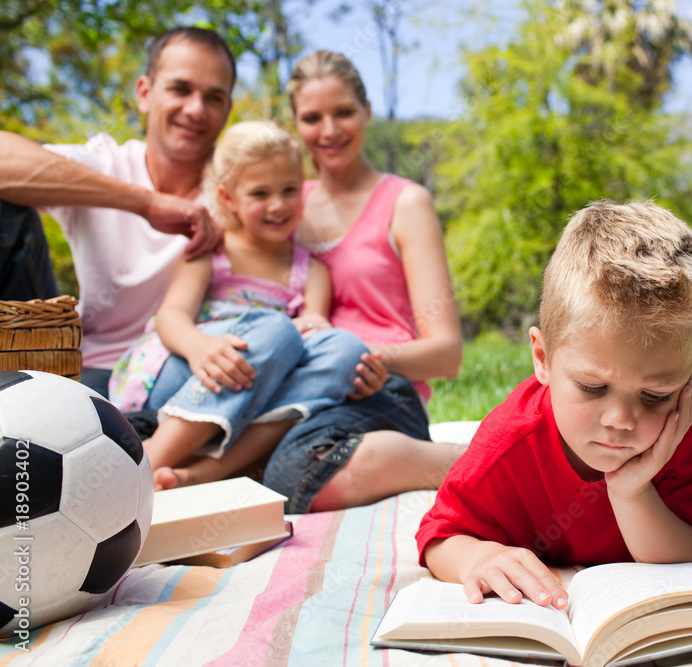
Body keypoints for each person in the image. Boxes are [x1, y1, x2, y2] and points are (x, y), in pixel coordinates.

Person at [416, 201, 692, 610]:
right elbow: (439, 537)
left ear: (690, 377)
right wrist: (477, 557)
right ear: (543, 359)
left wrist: (631, 492)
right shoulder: (507, 443)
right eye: (592, 386)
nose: (621, 420)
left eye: (656, 395)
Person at [109, 120, 367, 490]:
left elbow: (315, 326)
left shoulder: (311, 271)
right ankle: (150, 460)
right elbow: (170, 316)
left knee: (346, 349)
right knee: (276, 329)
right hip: (183, 374)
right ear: (228, 197)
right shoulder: (213, 252)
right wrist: (199, 347)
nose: (278, 205)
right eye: (260, 193)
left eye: (289, 190)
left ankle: (204, 473)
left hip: (251, 388)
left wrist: (312, 328)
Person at [260, 50, 465, 512]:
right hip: (302, 390)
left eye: (344, 113)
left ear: (367, 111)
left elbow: (447, 353)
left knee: (294, 472)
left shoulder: (405, 203)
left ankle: (464, 462)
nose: (329, 130)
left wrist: (367, 360)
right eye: (312, 118)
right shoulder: (282, 205)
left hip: (382, 391)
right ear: (295, 123)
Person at [0, 27, 231, 397]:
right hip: (78, 363)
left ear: (227, 110)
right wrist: (145, 203)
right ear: (144, 93)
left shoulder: (242, 192)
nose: (196, 109)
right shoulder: (106, 164)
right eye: (180, 89)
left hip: (177, 372)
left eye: (214, 97)